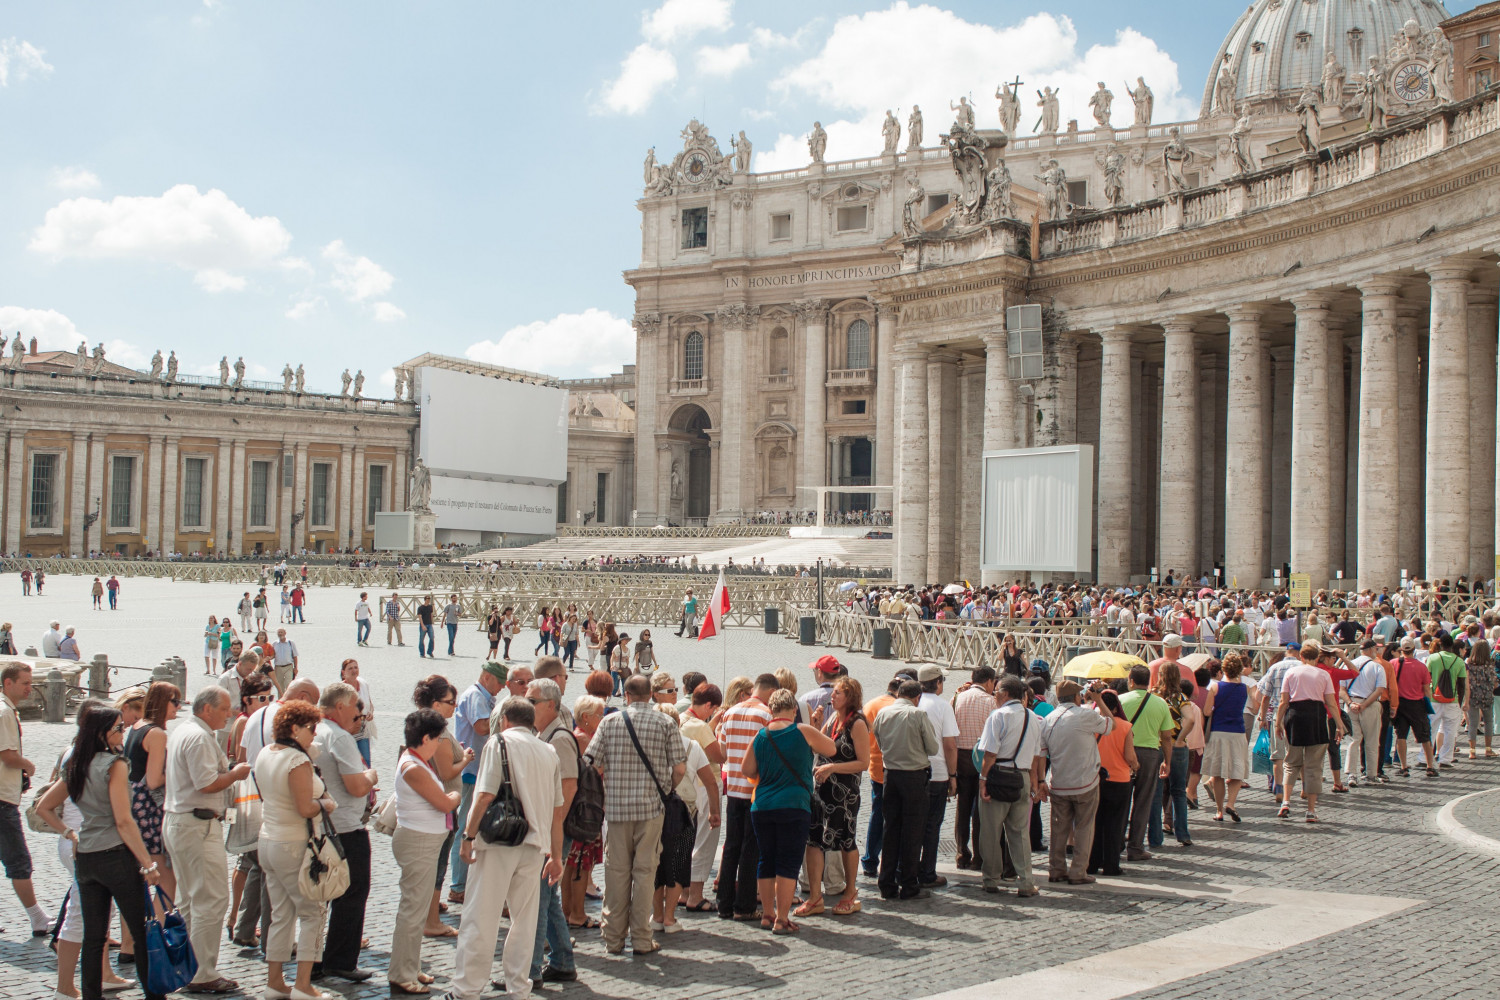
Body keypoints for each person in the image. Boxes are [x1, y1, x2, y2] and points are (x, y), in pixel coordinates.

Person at [35, 704, 166, 1000]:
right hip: (116, 856)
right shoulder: (114, 764)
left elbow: (43, 806)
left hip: (87, 857)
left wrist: (69, 832)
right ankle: (155, 996)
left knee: (94, 938)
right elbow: (123, 819)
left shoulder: (78, 764)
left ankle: (92, 995)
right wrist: (147, 864)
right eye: (119, 728)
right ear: (102, 733)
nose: (124, 732)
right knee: (141, 932)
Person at [450, 696, 565, 1000]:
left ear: (504, 720)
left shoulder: (498, 743)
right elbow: (556, 811)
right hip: (534, 847)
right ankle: (519, 987)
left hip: (499, 842)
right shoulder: (549, 751)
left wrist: (468, 836)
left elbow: (485, 794)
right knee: (524, 923)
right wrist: (556, 856)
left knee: (480, 917)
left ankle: (465, 990)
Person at [583, 674, 686, 955]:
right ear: (651, 694)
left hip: (616, 810)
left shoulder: (609, 721)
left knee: (616, 874)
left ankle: (613, 939)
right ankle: (641, 938)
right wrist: (666, 789)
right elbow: (679, 769)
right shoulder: (665, 723)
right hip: (651, 809)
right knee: (644, 873)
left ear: (625, 695)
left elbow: (592, 764)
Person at [161, 687, 248, 994]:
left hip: (180, 821)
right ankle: (201, 973)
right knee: (211, 899)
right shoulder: (198, 737)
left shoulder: (184, 730)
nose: (230, 714)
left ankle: (185, 965)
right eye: (225, 708)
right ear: (207, 709)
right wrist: (236, 774)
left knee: (189, 899)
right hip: (195, 824)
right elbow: (207, 783)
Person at [254, 699, 335, 1000]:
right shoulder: (297, 761)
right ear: (294, 728)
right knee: (313, 911)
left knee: (281, 913)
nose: (314, 733)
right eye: (310, 728)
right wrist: (326, 803)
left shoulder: (266, 753)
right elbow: (305, 807)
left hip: (269, 840)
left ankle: (275, 982)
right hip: (293, 844)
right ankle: (303, 985)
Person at [741, 688, 837, 934]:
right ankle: (781, 919)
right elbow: (831, 750)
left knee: (766, 860)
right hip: (794, 805)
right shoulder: (802, 731)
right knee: (788, 862)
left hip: (762, 806)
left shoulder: (761, 736)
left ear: (771, 710)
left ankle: (768, 914)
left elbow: (747, 770)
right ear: (794, 709)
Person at [389, 709, 461, 995]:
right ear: (427, 738)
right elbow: (444, 802)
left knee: (416, 911)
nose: (440, 743)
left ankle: (410, 966)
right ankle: (402, 973)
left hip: (424, 840)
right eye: (438, 738)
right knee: (412, 910)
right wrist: (455, 796)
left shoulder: (418, 761)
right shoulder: (414, 766)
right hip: (418, 842)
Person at [312, 684, 380, 983]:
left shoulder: (315, 731)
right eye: (356, 707)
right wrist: (371, 776)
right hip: (346, 828)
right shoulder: (339, 737)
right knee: (352, 893)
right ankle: (340, 960)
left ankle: (313, 959)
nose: (359, 713)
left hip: (323, 827)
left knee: (319, 897)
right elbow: (355, 786)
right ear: (340, 706)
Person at [799, 676, 868, 916]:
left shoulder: (857, 723)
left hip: (845, 793)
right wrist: (816, 726)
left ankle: (850, 892)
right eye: (834, 692)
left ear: (850, 697)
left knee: (846, 840)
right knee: (815, 839)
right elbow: (822, 745)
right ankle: (815, 897)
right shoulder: (833, 718)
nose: (833, 696)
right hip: (823, 790)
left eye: (838, 693)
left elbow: (863, 763)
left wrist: (832, 768)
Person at [526, 680, 579, 984]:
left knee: (539, 899)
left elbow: (568, 787)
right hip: (549, 828)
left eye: (532, 701)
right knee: (546, 895)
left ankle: (530, 970)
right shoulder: (543, 733)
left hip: (553, 830)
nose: (526, 705)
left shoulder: (558, 738)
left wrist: (552, 836)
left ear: (550, 704)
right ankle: (562, 960)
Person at [649, 702, 716, 934]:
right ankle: (669, 918)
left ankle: (656, 915)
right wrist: (715, 811)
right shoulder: (691, 746)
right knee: (678, 863)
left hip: (653, 809)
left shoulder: (648, 745)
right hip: (685, 811)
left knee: (655, 864)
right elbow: (709, 781)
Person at [1039, 680, 1116, 884]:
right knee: (1084, 827)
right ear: (1076, 697)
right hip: (1085, 782)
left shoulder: (1048, 719)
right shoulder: (1085, 715)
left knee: (1058, 829)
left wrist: (1040, 780)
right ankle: (1078, 871)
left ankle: (1056, 869)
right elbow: (1110, 724)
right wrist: (1098, 700)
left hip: (1059, 782)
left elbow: (1041, 754)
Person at [413, 675, 472, 937]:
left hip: (428, 805)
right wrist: (466, 759)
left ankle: (429, 910)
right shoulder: (439, 734)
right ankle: (431, 920)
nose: (455, 706)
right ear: (436, 705)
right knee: (437, 864)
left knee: (430, 863)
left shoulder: (418, 726)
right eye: (450, 702)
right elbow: (448, 772)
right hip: (442, 805)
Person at [872, 678, 939, 901]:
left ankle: (886, 882)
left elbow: (880, 743)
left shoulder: (883, 714)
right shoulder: (918, 715)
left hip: (890, 775)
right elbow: (932, 747)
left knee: (890, 829)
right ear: (917, 697)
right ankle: (909, 884)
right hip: (914, 776)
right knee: (913, 831)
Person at [976, 675, 1044, 896]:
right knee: (1020, 833)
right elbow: (1036, 756)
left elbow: (990, 754)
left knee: (990, 831)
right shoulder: (1033, 718)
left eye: (996, 692)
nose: (994, 696)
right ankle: (1025, 882)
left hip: (998, 777)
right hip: (1022, 777)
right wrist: (1034, 782)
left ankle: (991, 879)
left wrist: (983, 780)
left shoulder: (998, 716)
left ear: (1004, 694)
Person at [715, 673, 775, 920]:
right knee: (751, 850)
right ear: (771, 692)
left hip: (734, 789)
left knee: (731, 846)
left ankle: (724, 903)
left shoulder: (730, 713)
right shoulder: (766, 716)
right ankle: (745, 905)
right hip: (755, 791)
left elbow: (722, 752)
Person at [449, 663, 504, 904]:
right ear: (486, 677)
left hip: (480, 768)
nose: (502, 687)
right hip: (471, 770)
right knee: (466, 827)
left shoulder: (486, 697)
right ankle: (458, 885)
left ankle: (466, 881)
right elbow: (482, 727)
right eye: (499, 682)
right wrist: (506, 717)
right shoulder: (475, 696)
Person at [1275, 642, 1345, 823]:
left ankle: (1286, 802)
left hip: (1295, 716)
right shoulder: (1323, 674)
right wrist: (1339, 724)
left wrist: (1278, 723)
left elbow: (1284, 701)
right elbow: (1331, 702)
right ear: (1317, 658)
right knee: (1314, 766)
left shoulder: (1291, 673)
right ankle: (1311, 810)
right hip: (1316, 716)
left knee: (1291, 763)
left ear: (1301, 657)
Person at [125, 681, 179, 899]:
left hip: (132, 798)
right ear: (162, 703)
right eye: (174, 701)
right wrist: (179, 774)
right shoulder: (157, 734)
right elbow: (154, 780)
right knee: (165, 874)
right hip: (148, 805)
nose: (178, 706)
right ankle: (161, 926)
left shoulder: (137, 726)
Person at [1118, 664, 1175, 861]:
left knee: (1122, 800)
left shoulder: (1121, 700)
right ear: (1149, 682)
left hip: (1124, 754)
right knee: (1143, 802)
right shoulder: (1159, 704)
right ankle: (1136, 847)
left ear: (1131, 681)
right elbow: (1166, 737)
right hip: (1150, 755)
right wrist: (1167, 761)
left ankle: (1117, 842)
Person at [678, 683, 724, 910]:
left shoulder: (681, 719)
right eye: (712, 709)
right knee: (704, 841)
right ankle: (696, 895)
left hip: (685, 786)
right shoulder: (699, 726)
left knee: (687, 840)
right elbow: (718, 755)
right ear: (708, 705)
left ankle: (685, 892)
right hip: (704, 787)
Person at [562, 695, 606, 928]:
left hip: (582, 808)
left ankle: (569, 911)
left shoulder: (582, 737)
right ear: (586, 717)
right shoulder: (582, 739)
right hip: (584, 811)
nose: (603, 718)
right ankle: (576, 913)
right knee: (580, 864)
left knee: (574, 864)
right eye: (600, 714)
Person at [915, 665, 960, 887]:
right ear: (938, 682)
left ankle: (910, 868)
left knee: (914, 823)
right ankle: (927, 872)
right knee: (932, 825)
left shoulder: (914, 703)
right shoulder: (943, 706)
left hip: (915, 772)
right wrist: (953, 775)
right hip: (938, 772)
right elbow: (950, 745)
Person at [1087, 689, 1137, 877]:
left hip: (1095, 778)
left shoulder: (1092, 725)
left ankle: (1092, 863)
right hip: (1120, 779)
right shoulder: (1124, 726)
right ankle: (1111, 865)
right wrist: (1136, 765)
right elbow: (1130, 757)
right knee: (1115, 825)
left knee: (1096, 823)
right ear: (1116, 707)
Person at [952, 666, 998, 870]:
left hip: (960, 756)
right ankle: (979, 857)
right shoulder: (990, 701)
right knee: (980, 809)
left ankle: (962, 853)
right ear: (989, 681)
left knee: (962, 806)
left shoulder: (957, 698)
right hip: (981, 756)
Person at [859, 674, 903, 879]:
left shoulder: (870, 704)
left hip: (873, 765)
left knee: (877, 814)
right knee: (893, 818)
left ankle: (869, 860)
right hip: (893, 767)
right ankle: (892, 862)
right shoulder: (897, 708)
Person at [1148, 661, 1195, 849]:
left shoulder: (1153, 695)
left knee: (1156, 793)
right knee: (1178, 792)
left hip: (1156, 745)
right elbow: (1190, 719)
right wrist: (1180, 739)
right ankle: (1183, 833)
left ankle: (1155, 837)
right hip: (1177, 747)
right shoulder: (1180, 697)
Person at [1200, 652, 1250, 822]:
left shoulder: (1215, 687)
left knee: (1218, 773)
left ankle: (1220, 811)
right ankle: (1232, 803)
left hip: (1218, 732)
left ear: (1224, 669)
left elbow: (1207, 711)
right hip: (1237, 732)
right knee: (1237, 771)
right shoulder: (1244, 689)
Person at [1390, 637, 1438, 776]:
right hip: (1417, 704)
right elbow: (1426, 689)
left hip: (1400, 703)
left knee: (1401, 735)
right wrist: (1427, 704)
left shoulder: (1393, 663)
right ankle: (1430, 766)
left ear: (1401, 649)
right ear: (1413, 649)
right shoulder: (1421, 666)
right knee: (1425, 735)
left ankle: (1404, 766)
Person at [1343, 640, 1387, 785]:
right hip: (1370, 705)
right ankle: (1371, 775)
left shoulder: (1348, 664)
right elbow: (1379, 690)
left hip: (1351, 703)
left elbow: (1341, 689)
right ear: (1371, 649)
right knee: (1372, 741)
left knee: (1353, 740)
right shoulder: (1377, 667)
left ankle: (1351, 774)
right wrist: (1365, 705)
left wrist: (1350, 703)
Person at [1428, 633, 1467, 767]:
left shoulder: (1432, 658)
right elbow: (1461, 684)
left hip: (1434, 698)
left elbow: (1427, 680)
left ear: (1440, 644)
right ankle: (1446, 758)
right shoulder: (1459, 661)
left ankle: (1424, 758)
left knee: (1431, 729)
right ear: (1452, 646)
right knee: (1450, 731)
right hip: (1452, 700)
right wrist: (1459, 702)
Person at [340, 659, 377, 764]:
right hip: (347, 732)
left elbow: (370, 705)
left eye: (356, 667)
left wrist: (370, 713)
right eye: (350, 668)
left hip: (363, 731)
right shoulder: (341, 690)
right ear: (343, 672)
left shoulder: (363, 684)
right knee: (349, 763)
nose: (354, 670)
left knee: (366, 762)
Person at [1465, 639, 1495, 758]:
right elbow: (1494, 681)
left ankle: (1472, 751)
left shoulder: (1468, 664)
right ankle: (1488, 749)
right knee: (1488, 722)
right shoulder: (1489, 665)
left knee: (1473, 723)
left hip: (1472, 695)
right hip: (1486, 695)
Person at [270, 628, 299, 695]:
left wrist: (295, 668)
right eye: (279, 632)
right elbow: (272, 655)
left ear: (285, 633)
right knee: (280, 687)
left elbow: (295, 656)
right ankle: (281, 702)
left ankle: (289, 701)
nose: (280, 634)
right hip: (278, 667)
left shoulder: (290, 643)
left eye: (281, 632)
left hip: (288, 666)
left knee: (288, 685)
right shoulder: (274, 644)